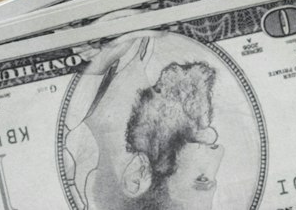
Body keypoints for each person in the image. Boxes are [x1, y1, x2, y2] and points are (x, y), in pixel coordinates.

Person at [63, 32, 227, 210]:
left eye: (201, 180)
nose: (213, 138)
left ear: (137, 178)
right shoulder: (143, 48)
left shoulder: (73, 99)